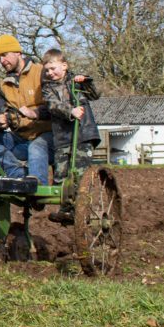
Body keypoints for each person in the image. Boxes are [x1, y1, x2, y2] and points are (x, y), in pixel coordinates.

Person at [0, 34, 54, 185]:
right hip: (20, 141)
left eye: (4, 55)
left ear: (18, 52)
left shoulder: (43, 73)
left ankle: (37, 186)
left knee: (37, 146)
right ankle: (17, 173)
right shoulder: (3, 86)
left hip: (48, 139)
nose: (2, 61)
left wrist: (36, 113)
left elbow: (57, 106)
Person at [41, 48, 100, 223]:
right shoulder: (47, 88)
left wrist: (86, 82)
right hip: (62, 138)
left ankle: (82, 211)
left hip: (83, 135)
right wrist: (71, 110)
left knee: (80, 176)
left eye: (53, 68)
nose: (50, 73)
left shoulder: (78, 81)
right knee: (60, 176)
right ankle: (66, 210)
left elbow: (95, 95)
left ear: (64, 65)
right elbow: (52, 106)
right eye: (47, 70)